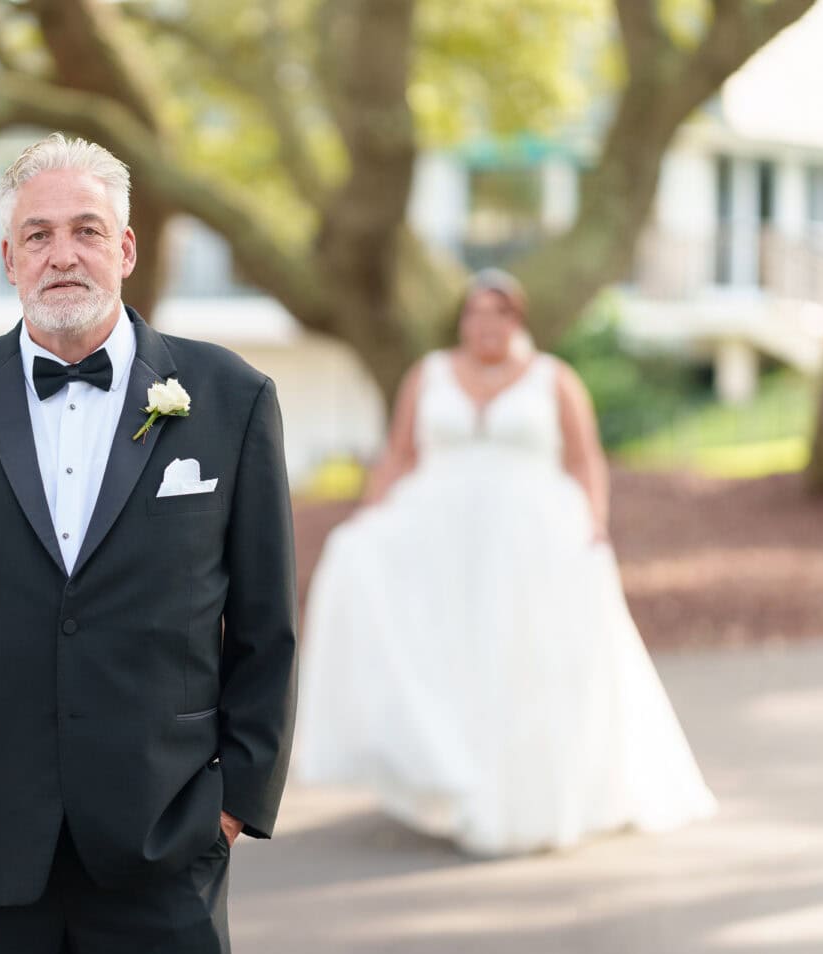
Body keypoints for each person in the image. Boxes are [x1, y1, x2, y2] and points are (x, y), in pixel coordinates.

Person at [0, 133, 298, 954]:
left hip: (162, 838)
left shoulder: (232, 400)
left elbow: (267, 623)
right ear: (9, 258)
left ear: (125, 249)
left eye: (87, 230)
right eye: (39, 235)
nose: (63, 255)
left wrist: (232, 803)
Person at [295, 269, 715, 856]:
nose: (485, 325)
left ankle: (518, 792)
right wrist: (368, 516)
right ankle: (451, 773)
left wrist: (595, 524)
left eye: (498, 314)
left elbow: (585, 460)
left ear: (517, 320)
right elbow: (398, 454)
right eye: (474, 313)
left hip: (530, 541)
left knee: (521, 659)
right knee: (448, 654)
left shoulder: (554, 378)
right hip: (437, 540)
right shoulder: (430, 374)